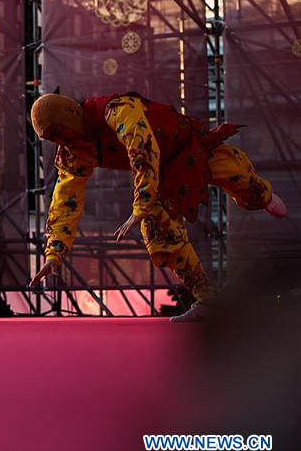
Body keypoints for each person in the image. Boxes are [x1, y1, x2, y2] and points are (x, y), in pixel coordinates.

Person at [27, 92, 286, 322]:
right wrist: (54, 253)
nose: (60, 141)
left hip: (188, 148)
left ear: (72, 112)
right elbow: (65, 199)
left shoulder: (118, 109)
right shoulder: (73, 152)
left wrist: (140, 206)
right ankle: (208, 299)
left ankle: (263, 196)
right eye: (52, 139)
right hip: (163, 176)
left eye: (59, 132)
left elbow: (143, 151)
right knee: (159, 232)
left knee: (245, 184)